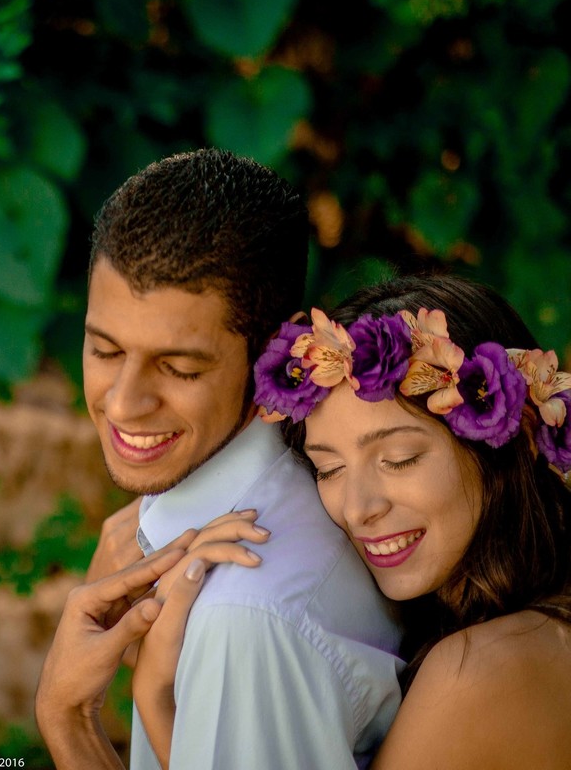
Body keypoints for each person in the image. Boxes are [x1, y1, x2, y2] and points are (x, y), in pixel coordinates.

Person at [35, 149, 403, 769]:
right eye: (103, 350)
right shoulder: (191, 512)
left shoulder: (247, 620)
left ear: (276, 353)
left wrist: (69, 721)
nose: (123, 403)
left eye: (179, 367)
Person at [135, 273, 571, 768]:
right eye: (329, 469)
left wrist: (141, 703)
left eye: (400, 458)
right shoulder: (532, 629)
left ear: (520, 435)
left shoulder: (479, 671)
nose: (360, 509)